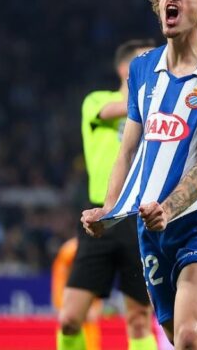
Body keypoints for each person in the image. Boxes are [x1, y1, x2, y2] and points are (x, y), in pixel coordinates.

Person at [82, 0, 197, 349]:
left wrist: (169, 209)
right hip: (151, 228)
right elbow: (128, 149)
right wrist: (109, 208)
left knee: (189, 337)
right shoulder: (142, 69)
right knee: (184, 341)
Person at [58, 39, 159, 350]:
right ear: (124, 68)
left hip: (139, 218)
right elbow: (115, 110)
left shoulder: (158, 107)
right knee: (70, 318)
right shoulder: (96, 100)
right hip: (99, 219)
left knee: (140, 318)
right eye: (144, 61)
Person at [52, 237, 104, 350]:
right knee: (70, 324)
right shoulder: (69, 252)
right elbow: (60, 279)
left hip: (88, 320)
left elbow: (97, 277)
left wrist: (95, 307)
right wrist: (63, 306)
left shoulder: (94, 249)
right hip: (74, 305)